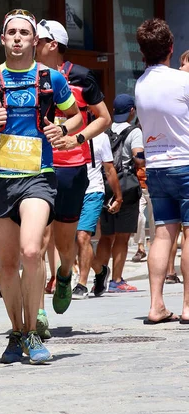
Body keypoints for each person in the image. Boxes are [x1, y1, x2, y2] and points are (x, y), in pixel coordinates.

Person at [0, 9, 81, 364]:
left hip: (38, 178)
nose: (17, 38)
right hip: (0, 180)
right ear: (2, 39)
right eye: (10, 32)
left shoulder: (51, 78)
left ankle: (32, 330)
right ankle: (16, 331)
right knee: (8, 265)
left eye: (23, 33)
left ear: (34, 40)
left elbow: (76, 114)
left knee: (32, 252)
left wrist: (64, 132)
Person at [34, 19, 111, 315]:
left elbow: (102, 117)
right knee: (38, 241)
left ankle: (65, 273)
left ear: (53, 44)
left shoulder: (80, 76)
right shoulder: (27, 76)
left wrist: (77, 137)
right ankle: (37, 310)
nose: (33, 45)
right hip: (37, 167)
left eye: (38, 40)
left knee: (65, 243)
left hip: (71, 167)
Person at [135, 18, 189, 324]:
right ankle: (187, 306)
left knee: (162, 234)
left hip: (156, 166)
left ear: (142, 52)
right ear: (170, 48)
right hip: (185, 162)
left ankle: (156, 305)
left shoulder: (140, 84)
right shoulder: (182, 81)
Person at [96, 94, 144, 293]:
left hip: (105, 184)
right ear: (132, 111)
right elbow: (138, 158)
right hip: (126, 187)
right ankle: (116, 280)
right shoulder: (134, 132)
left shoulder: (103, 130)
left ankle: (99, 277)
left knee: (106, 236)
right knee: (122, 237)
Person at [74, 132, 122, 299]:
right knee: (70, 242)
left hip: (92, 192)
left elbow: (109, 169)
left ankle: (81, 284)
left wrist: (118, 196)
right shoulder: (61, 130)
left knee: (82, 238)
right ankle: (101, 271)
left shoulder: (100, 137)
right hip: (68, 192)